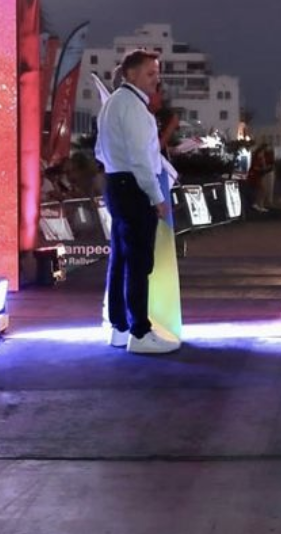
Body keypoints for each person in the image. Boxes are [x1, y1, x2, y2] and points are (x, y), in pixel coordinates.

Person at [95, 49, 180, 354]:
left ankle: (120, 327)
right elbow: (141, 158)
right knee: (138, 262)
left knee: (121, 259)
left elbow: (99, 150)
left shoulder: (113, 103)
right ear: (131, 73)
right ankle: (140, 332)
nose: (156, 79)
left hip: (116, 183)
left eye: (157, 73)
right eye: (150, 73)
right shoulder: (132, 105)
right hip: (133, 187)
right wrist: (156, 197)